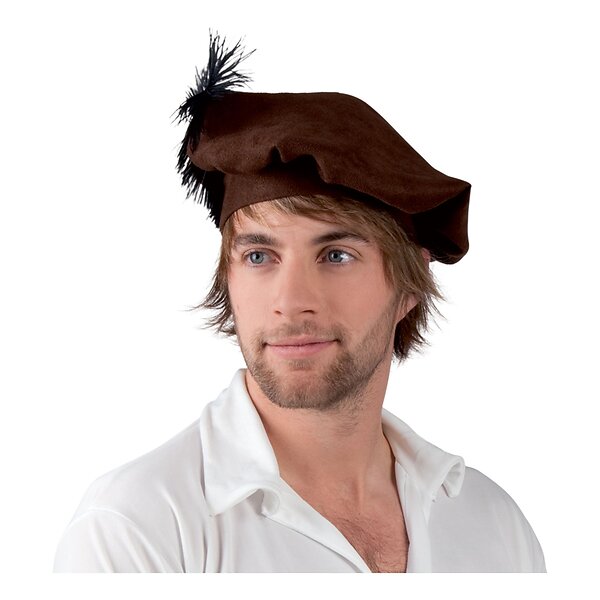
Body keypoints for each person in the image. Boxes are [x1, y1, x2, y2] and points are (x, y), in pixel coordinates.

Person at [53, 33, 546, 573]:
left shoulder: (492, 526)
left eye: (335, 255)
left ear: (409, 285)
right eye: (259, 256)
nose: (290, 303)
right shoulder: (139, 530)